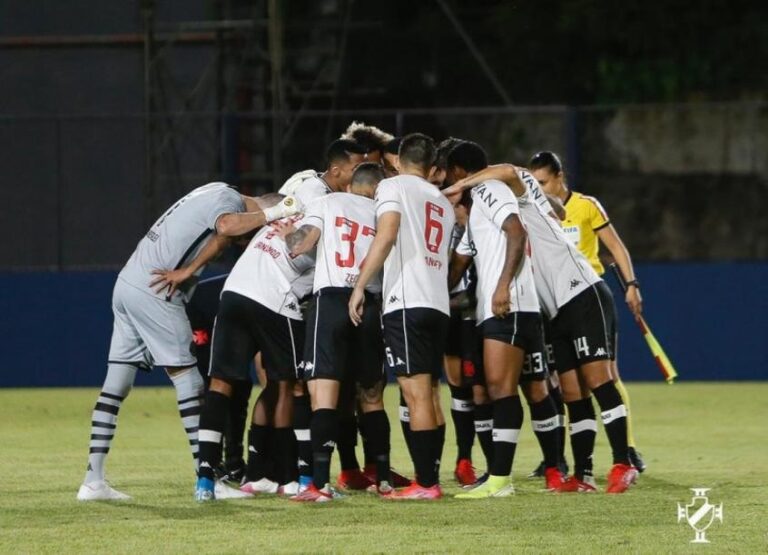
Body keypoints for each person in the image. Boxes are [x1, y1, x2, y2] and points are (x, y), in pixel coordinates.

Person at [77, 183, 298, 501]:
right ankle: (207, 476)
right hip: (157, 289)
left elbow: (220, 237)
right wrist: (277, 213)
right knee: (190, 382)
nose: (245, 241)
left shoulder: (213, 191)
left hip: (128, 282)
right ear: (261, 209)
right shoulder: (230, 202)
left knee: (116, 386)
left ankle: (93, 481)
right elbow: (227, 226)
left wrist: (191, 269)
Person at [445, 160, 639, 494]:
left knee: (598, 381)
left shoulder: (503, 191)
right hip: (554, 308)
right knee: (572, 393)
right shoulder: (520, 200)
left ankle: (623, 462)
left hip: (581, 291)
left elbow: (507, 170)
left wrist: (463, 185)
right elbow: (560, 209)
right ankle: (584, 475)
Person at [278, 163, 394, 501]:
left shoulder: (327, 203)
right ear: (376, 188)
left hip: (331, 302)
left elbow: (301, 244)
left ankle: (319, 484)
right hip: (369, 302)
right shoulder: (381, 212)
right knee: (372, 397)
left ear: (352, 184)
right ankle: (383, 480)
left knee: (324, 396)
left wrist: (288, 231)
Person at [349, 133, 455, 500]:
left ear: (397, 161)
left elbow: (388, 232)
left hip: (407, 301)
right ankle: (430, 477)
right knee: (431, 394)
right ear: (432, 166)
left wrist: (361, 284)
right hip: (438, 303)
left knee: (415, 394)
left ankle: (426, 484)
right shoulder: (443, 200)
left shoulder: (393, 186)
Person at [528, 151, 646, 473]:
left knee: (605, 377)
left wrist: (631, 283)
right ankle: (565, 461)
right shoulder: (533, 212)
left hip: (587, 295)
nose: (538, 189)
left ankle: (627, 451)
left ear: (559, 176)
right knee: (566, 387)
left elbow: (616, 247)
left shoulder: (585, 206)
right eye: (533, 184)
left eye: (543, 182)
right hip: (556, 305)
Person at [444, 148, 546, 499]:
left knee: (503, 390)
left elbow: (516, 233)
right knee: (496, 389)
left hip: (510, 303)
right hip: (498, 308)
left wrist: (502, 286)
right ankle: (498, 475)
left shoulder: (489, 189)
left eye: (448, 175)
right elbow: (458, 264)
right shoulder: (475, 212)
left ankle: (501, 479)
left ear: (459, 170)